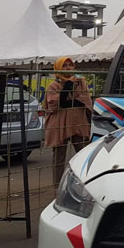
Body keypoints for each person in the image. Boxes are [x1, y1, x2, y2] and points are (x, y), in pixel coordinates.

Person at [45, 57, 92, 186]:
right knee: (59, 157)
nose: (68, 68)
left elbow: (85, 100)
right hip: (59, 125)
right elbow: (59, 103)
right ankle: (58, 185)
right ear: (58, 68)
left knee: (84, 153)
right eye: (64, 65)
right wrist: (69, 85)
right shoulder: (53, 86)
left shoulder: (81, 83)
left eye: (70, 65)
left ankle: (86, 183)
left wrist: (67, 100)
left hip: (78, 122)